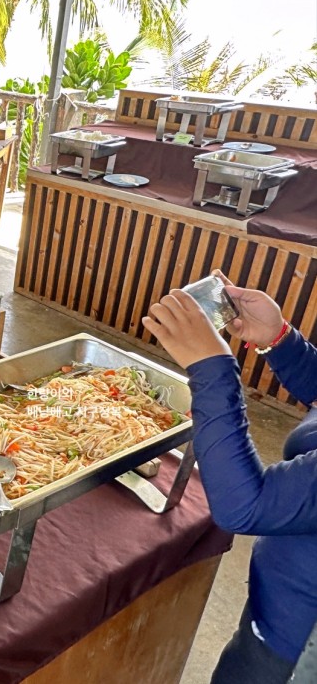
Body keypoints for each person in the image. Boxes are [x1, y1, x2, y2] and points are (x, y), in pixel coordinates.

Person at [142, 272, 317, 684]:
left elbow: (244, 505)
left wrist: (212, 369)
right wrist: (278, 338)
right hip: (274, 603)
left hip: (291, 651)